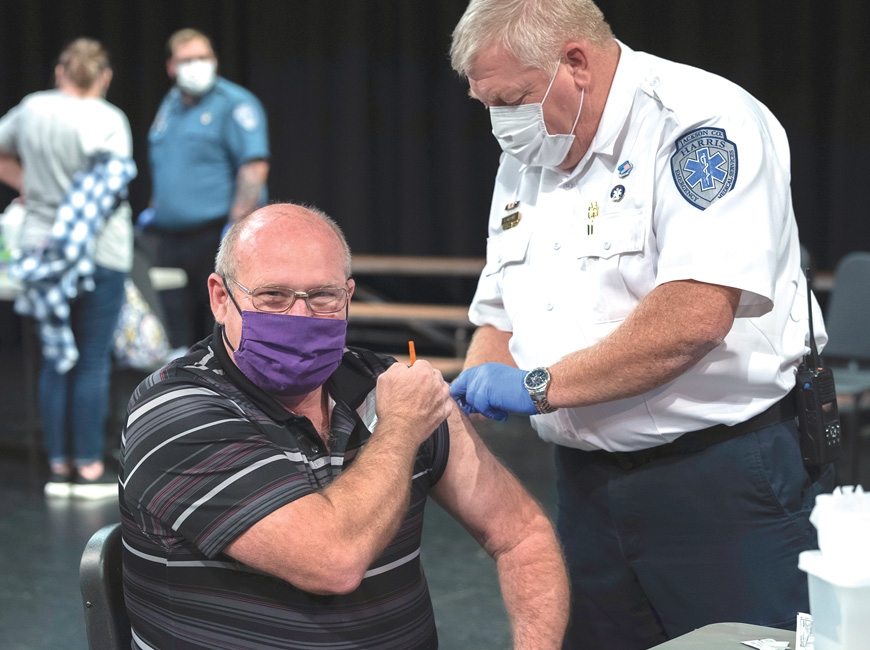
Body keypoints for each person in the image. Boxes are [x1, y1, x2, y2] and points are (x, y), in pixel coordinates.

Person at [447, 1, 833, 647]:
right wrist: (464, 396)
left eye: (511, 98)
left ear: (575, 62)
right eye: (486, 102)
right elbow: (499, 315)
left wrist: (537, 386)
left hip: (720, 481)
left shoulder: (701, 123)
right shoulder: (528, 150)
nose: (500, 123)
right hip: (584, 483)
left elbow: (694, 317)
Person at [119, 202, 569, 649]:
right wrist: (402, 428)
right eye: (273, 296)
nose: (300, 317)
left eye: (322, 297)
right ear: (221, 298)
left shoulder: (386, 385)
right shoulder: (175, 411)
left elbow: (522, 535)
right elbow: (332, 560)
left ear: (348, 297)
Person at [0, 38, 135, 498]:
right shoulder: (110, 119)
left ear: (61, 72)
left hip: (42, 248)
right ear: (104, 77)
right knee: (92, 361)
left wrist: (30, 187)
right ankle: (90, 468)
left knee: (56, 359)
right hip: (100, 250)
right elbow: (111, 186)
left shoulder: (31, 109)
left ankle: (57, 467)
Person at [144, 28, 269, 349]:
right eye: (187, 60)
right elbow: (168, 165)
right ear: (171, 66)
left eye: (203, 57)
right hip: (169, 237)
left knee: (216, 327)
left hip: (214, 235)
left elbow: (253, 166)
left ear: (214, 60)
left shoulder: (235, 104)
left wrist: (236, 227)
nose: (196, 65)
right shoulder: (169, 105)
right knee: (171, 329)